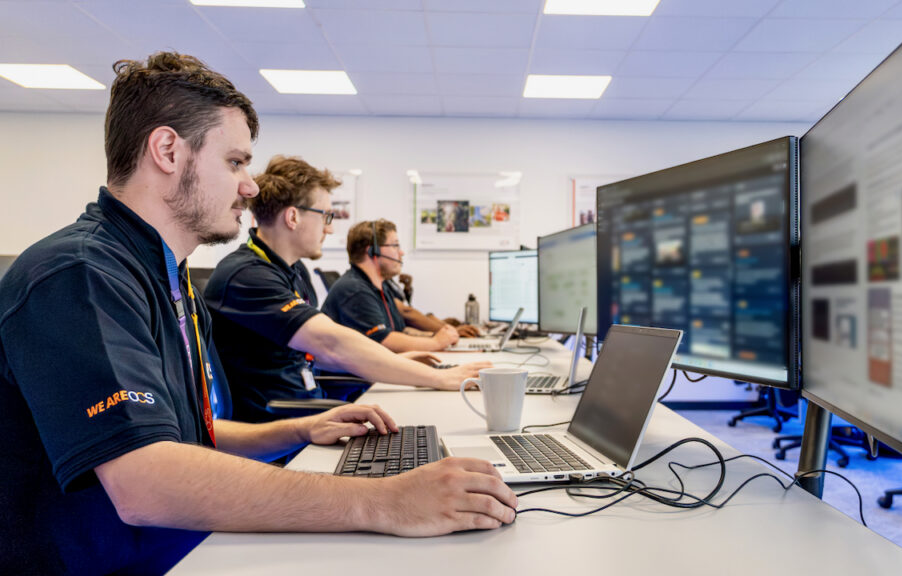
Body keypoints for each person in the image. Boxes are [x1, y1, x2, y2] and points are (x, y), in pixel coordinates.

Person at [0, 52, 516, 575]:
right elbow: (145, 482)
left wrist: (299, 430)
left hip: (177, 544)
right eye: (235, 162)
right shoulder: (80, 275)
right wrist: (381, 501)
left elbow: (186, 436)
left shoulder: (165, 274)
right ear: (167, 151)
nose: (251, 186)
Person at [204, 157, 489, 423]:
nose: (329, 229)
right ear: (293, 218)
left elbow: (320, 354)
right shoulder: (247, 276)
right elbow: (332, 345)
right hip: (282, 423)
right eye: (326, 216)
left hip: (308, 408)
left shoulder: (292, 270)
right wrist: (440, 379)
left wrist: (397, 362)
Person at [321, 220, 472, 354]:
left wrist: (438, 335)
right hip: (356, 384)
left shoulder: (380, 287)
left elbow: (400, 331)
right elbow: (385, 341)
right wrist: (436, 342)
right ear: (372, 251)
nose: (401, 252)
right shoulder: (355, 289)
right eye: (395, 245)